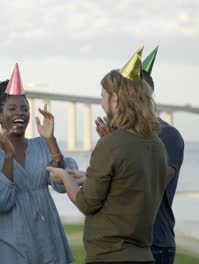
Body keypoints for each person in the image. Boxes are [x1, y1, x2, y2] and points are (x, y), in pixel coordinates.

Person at [48, 48, 167, 264]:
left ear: (116, 99)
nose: (101, 104)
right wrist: (88, 178)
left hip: (109, 257)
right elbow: (128, 185)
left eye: (103, 96)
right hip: (144, 256)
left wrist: (65, 178)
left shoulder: (110, 145)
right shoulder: (157, 145)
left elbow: (86, 203)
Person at [0, 64, 75, 264]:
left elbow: (61, 184)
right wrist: (8, 157)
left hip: (48, 240)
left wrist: (50, 140)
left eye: (24, 108)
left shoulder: (41, 145)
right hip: (12, 244)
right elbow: (2, 201)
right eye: (12, 108)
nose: (19, 113)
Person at [141, 47, 185, 264]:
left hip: (156, 244)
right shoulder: (120, 136)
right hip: (128, 243)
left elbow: (152, 183)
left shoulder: (168, 135)